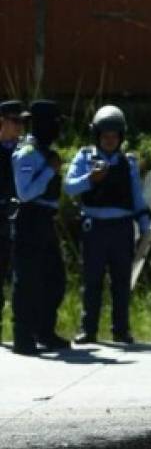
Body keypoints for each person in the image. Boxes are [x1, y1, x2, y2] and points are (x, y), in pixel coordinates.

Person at [64, 106, 150, 345]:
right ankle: (87, 329)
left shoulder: (128, 162)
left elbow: (137, 198)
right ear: (97, 136)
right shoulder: (85, 157)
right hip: (95, 228)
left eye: (114, 136)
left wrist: (145, 228)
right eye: (105, 136)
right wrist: (90, 179)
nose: (110, 141)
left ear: (121, 137)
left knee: (121, 282)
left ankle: (121, 330)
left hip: (122, 228)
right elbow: (69, 186)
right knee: (92, 281)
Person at [11, 100, 69, 355]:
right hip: (29, 219)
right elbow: (24, 193)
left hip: (45, 220)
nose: (57, 128)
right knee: (28, 282)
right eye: (54, 124)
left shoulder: (46, 151)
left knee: (54, 279)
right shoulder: (27, 153)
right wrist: (49, 171)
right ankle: (23, 338)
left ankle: (45, 332)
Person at [0, 101, 28, 344]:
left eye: (22, 122)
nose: (20, 126)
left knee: (22, 277)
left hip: (22, 219)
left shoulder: (24, 150)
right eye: (15, 121)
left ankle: (24, 331)